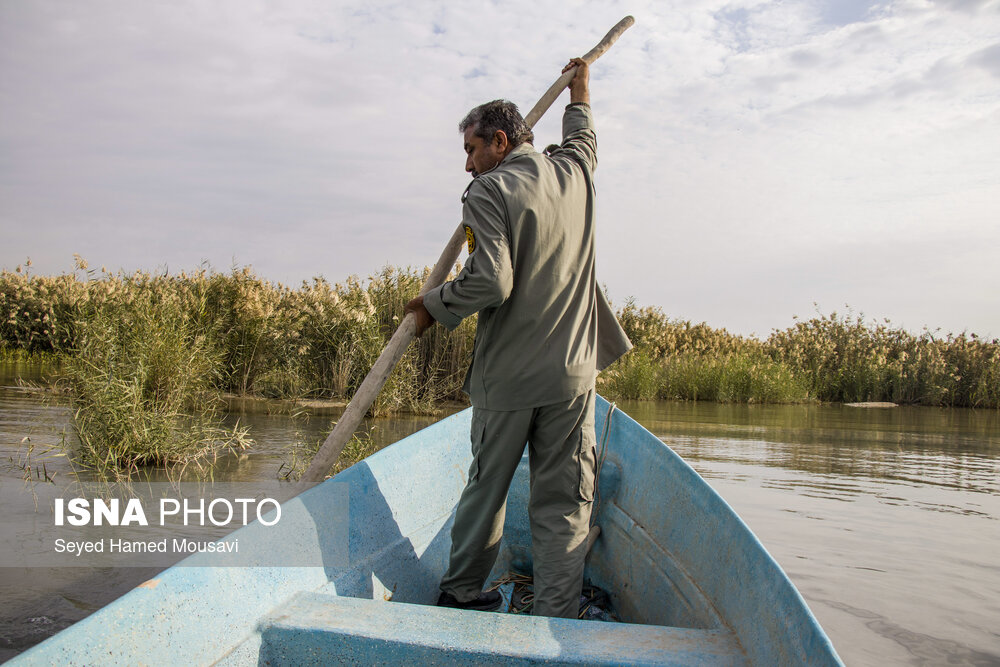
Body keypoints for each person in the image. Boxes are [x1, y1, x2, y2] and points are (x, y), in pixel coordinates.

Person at [404, 57, 631, 619]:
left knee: (487, 490)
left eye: (471, 150)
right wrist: (581, 89)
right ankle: (555, 610)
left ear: (500, 141)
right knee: (563, 503)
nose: (467, 165)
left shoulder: (489, 191)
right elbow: (583, 136)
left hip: (508, 380)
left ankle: (460, 595)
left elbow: (491, 280)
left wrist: (434, 305)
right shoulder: (576, 173)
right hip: (573, 376)